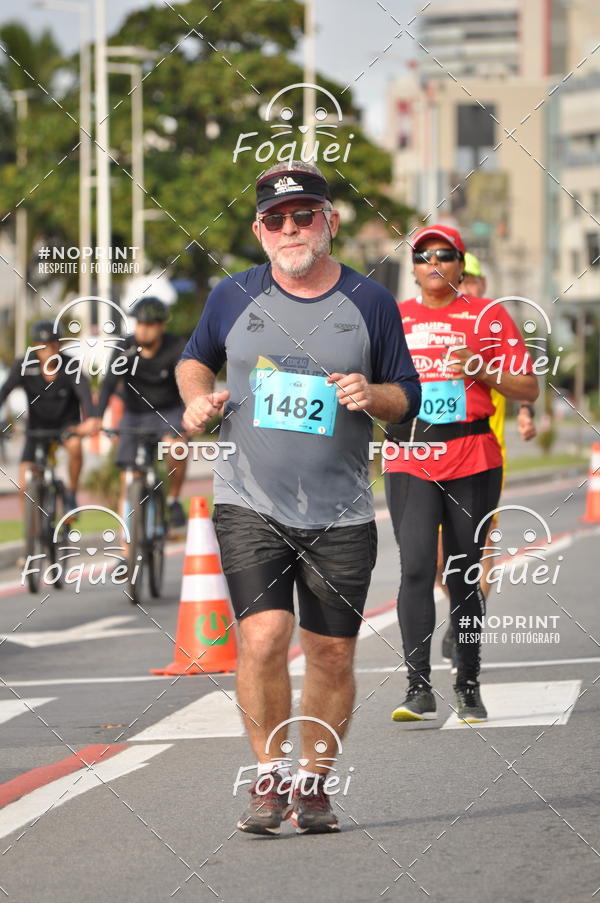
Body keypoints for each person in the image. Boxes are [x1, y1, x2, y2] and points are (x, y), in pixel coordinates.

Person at [177, 161, 420, 835]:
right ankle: (270, 772)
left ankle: (312, 783)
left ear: (330, 221)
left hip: (340, 509)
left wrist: (374, 396)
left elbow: (409, 398)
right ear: (260, 230)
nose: (292, 228)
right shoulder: (232, 296)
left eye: (304, 214)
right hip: (248, 498)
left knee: (332, 652)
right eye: (277, 219)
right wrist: (198, 397)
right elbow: (193, 356)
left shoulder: (371, 303)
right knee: (263, 635)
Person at [384, 225, 538, 723]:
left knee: (464, 572)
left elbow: (528, 388)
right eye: (423, 255)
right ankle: (417, 687)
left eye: (444, 255)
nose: (434, 263)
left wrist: (482, 368)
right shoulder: (394, 317)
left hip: (471, 455)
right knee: (413, 568)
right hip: (409, 454)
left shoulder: (488, 317)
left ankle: (468, 683)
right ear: (413, 267)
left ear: (460, 264)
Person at [438, 252, 537, 667]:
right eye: (464, 281)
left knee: (479, 545)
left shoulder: (492, 329)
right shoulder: (442, 328)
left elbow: (520, 382)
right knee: (440, 560)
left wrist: (528, 414)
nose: (467, 287)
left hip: (483, 454)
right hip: (438, 455)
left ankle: (466, 623)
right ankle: (467, 608)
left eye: (473, 280)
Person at [90, 297, 188, 528]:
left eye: (150, 324)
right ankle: (128, 548)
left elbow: (187, 381)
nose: (143, 329)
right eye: (140, 323)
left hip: (169, 411)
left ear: (162, 325)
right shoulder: (125, 348)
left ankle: (173, 499)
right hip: (134, 414)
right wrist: (95, 417)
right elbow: (108, 384)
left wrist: (191, 414)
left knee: (178, 446)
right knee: (128, 479)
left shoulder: (177, 347)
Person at [0, 319, 96, 511]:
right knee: (24, 483)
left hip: (67, 427)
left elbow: (85, 395)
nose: (49, 350)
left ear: (59, 345)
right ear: (35, 346)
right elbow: (5, 390)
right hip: (37, 429)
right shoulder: (24, 365)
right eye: (43, 346)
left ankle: (71, 493)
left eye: (54, 345)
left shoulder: (71, 366)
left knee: (76, 446)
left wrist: (91, 419)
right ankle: (32, 535)